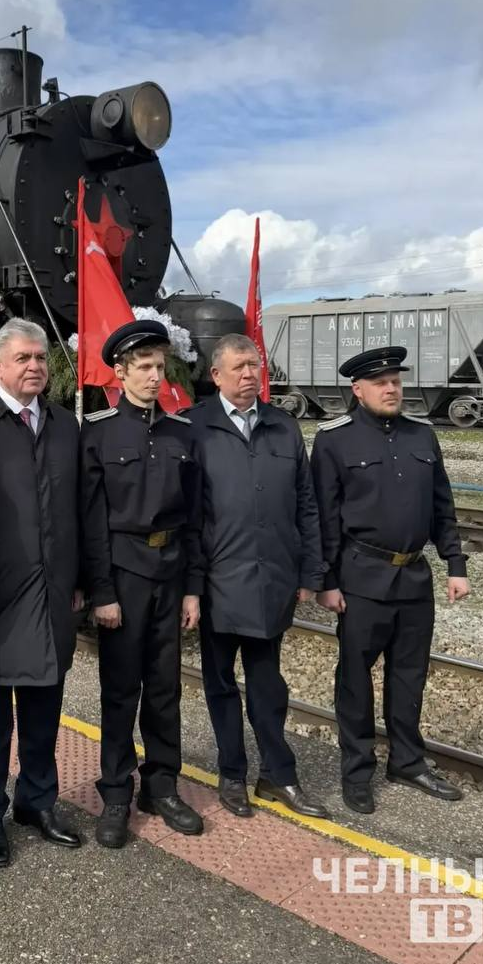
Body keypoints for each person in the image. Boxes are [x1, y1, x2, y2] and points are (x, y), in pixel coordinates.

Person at [310, 345, 470, 815]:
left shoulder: (422, 436)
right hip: (361, 580)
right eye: (381, 383)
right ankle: (357, 770)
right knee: (355, 681)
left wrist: (455, 564)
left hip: (414, 579)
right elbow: (325, 517)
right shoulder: (334, 441)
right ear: (357, 390)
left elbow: (442, 505)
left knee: (409, 676)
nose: (392, 388)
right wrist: (327, 580)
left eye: (396, 381)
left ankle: (407, 760)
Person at [0, 319, 82, 867]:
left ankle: (38, 801)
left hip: (52, 592)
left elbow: (79, 509)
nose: (35, 367)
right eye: (24, 358)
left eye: (42, 358)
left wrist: (83, 580)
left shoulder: (64, 426)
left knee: (44, 704)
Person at [188, 333, 327, 819]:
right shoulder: (195, 427)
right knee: (221, 682)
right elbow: (188, 515)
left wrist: (310, 569)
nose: (250, 374)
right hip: (219, 582)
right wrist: (192, 584)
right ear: (216, 375)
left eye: (255, 365)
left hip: (273, 580)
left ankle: (278, 775)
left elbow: (306, 503)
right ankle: (231, 773)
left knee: (268, 683)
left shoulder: (282, 426)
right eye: (240, 366)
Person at [80, 320, 205, 848]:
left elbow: (197, 518)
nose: (155, 377)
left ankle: (161, 786)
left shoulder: (182, 434)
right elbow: (91, 521)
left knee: (165, 689)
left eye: (161, 367)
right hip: (124, 576)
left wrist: (193, 587)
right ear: (120, 372)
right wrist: (102, 593)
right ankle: (115, 794)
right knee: (119, 691)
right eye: (145, 367)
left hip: (171, 572)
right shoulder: (100, 434)